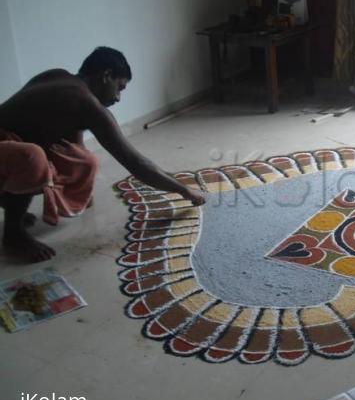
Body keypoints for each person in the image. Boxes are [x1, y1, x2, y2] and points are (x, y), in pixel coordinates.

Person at [0, 46, 206, 262]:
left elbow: (74, 146)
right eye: (120, 87)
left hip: (7, 147)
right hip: (9, 151)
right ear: (106, 76)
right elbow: (135, 162)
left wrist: (80, 186)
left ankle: (10, 199)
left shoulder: (59, 78)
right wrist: (184, 191)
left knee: (84, 159)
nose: (118, 97)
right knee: (32, 158)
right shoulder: (85, 102)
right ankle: (13, 235)